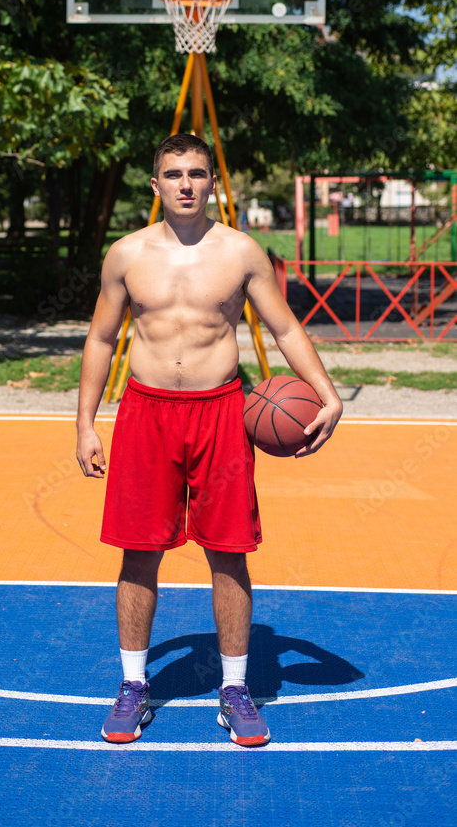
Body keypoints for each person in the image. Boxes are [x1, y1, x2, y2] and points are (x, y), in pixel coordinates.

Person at [76, 132, 342, 747]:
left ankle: (234, 689)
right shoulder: (126, 254)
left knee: (228, 551)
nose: (187, 184)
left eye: (198, 173)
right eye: (174, 174)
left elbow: (284, 327)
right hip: (145, 413)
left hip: (221, 412)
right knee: (138, 551)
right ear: (156, 184)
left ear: (212, 182)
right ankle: (135, 686)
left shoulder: (242, 253)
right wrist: (86, 421)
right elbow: (99, 339)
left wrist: (326, 392)